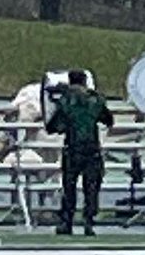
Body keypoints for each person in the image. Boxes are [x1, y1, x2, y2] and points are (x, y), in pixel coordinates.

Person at [46, 70, 113, 236]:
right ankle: (89, 221)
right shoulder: (95, 99)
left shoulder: (65, 100)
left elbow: (53, 127)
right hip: (92, 149)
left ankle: (67, 221)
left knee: (69, 187)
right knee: (91, 187)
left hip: (72, 148)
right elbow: (108, 120)